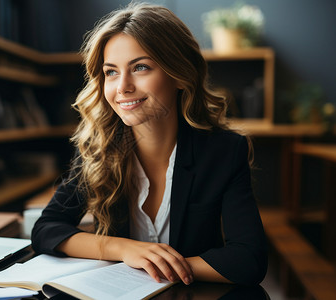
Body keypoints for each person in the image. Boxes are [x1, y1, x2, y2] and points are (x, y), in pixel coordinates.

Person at [32, 2, 267, 286]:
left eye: (140, 67)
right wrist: (123, 249)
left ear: (180, 75)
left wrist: (158, 266)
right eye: (111, 72)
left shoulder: (224, 151)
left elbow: (248, 259)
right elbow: (46, 229)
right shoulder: (99, 149)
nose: (122, 88)